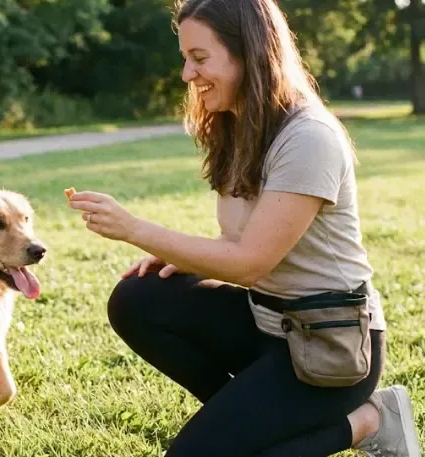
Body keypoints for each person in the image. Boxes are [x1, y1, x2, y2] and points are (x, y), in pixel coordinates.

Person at [67, 0, 421, 456]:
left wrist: (135, 228)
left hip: (331, 348)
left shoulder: (308, 137)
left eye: (200, 58)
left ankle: (369, 420)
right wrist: (181, 255)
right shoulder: (238, 127)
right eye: (185, 59)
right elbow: (238, 244)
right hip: (268, 324)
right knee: (139, 298)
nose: (187, 75)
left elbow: (252, 262)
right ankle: (250, 426)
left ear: (249, 53)